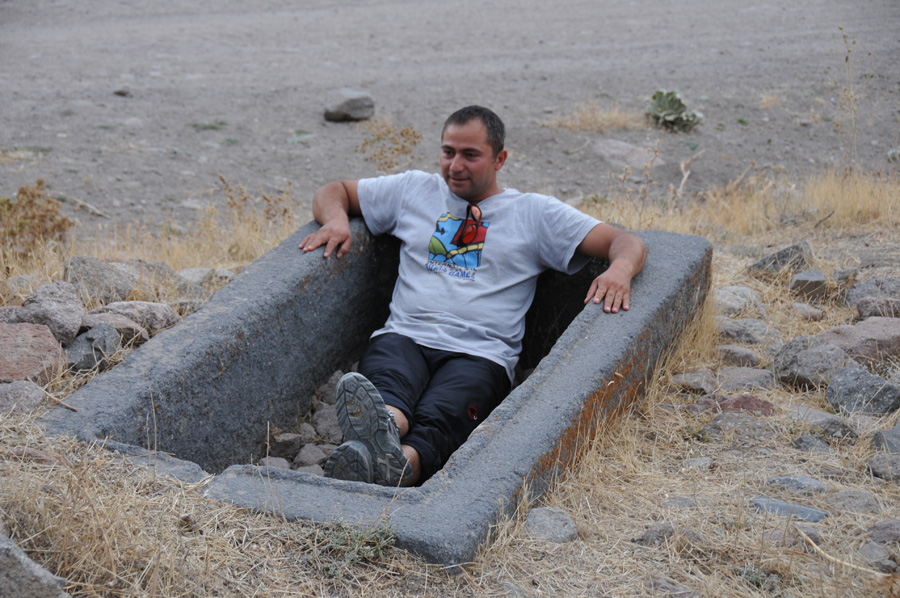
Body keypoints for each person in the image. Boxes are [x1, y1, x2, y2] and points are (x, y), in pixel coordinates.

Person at [299, 105, 646, 487]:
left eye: (470, 155)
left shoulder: (534, 213)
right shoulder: (414, 190)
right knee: (387, 390)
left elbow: (624, 241)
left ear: (500, 159)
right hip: (405, 335)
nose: (455, 165)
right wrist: (336, 220)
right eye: (448, 152)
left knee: (444, 415)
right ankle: (383, 430)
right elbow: (334, 191)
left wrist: (620, 270)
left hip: (480, 354)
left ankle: (396, 466)